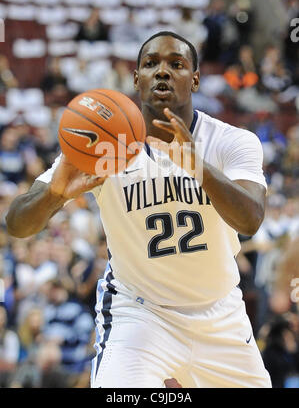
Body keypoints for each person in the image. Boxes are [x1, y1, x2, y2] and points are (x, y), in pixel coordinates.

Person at [6, 31, 272, 388]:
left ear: (194, 78)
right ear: (136, 78)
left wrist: (199, 167)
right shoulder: (102, 144)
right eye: (150, 64)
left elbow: (251, 219)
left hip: (220, 313)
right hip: (140, 312)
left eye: (176, 64)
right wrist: (54, 194)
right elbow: (17, 224)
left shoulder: (231, 141)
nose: (162, 72)